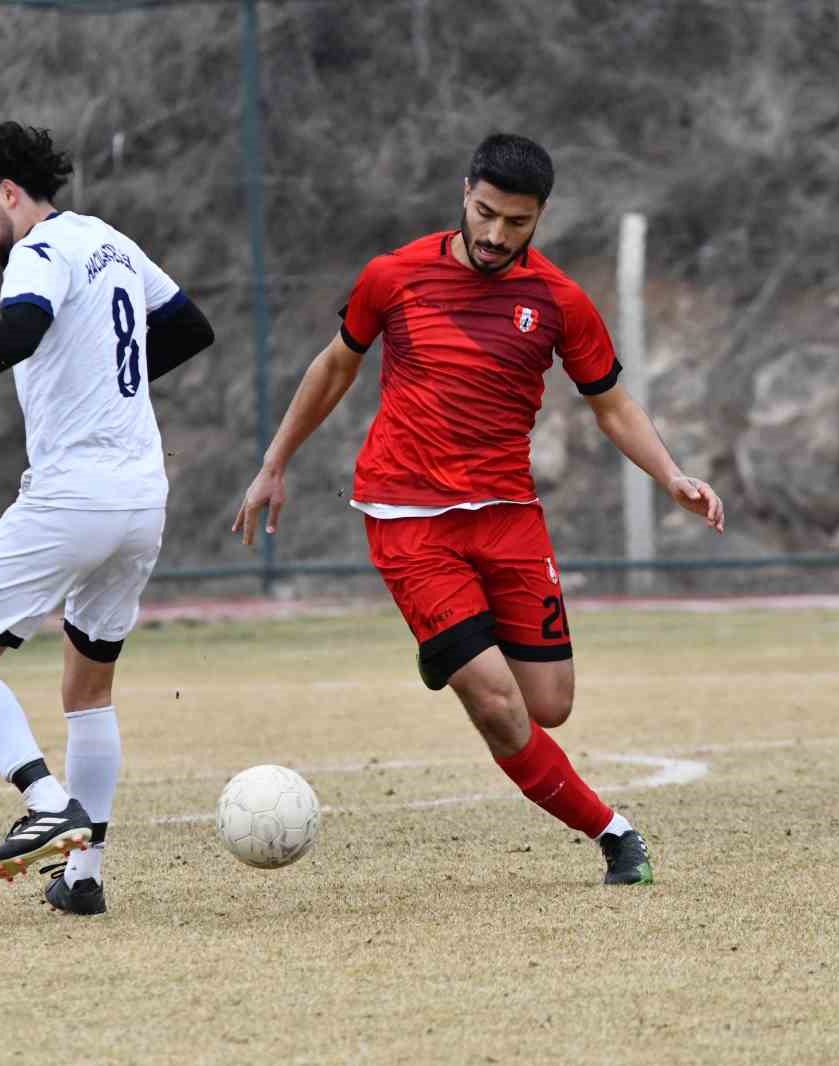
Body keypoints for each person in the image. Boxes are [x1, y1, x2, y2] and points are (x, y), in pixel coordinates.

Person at [234, 133, 724, 886]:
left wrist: (671, 475)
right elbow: (337, 365)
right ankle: (614, 834)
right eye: (486, 213)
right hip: (407, 518)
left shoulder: (560, 302)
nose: (496, 235)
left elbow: (613, 404)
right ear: (465, 192)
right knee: (498, 705)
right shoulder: (392, 277)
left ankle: (456, 648)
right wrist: (275, 463)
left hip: (507, 514)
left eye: (517, 223)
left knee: (548, 705)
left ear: (541, 218)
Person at [0, 120, 215, 916]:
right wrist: (109, 381)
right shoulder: (113, 243)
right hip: (140, 498)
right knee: (88, 690)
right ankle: (85, 879)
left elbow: (21, 329)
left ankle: (44, 800)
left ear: (11, 195)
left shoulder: (40, 250)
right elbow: (192, 327)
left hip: (75, 496)